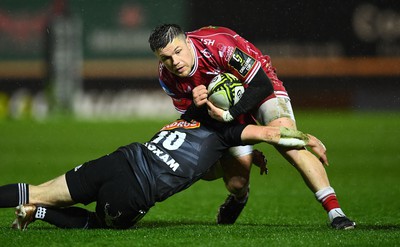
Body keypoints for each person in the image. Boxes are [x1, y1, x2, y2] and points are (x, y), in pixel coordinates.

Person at [148, 24, 356, 229]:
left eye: (178, 51)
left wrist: (231, 115)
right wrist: (196, 106)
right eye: (166, 58)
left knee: (289, 145)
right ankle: (240, 197)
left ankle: (336, 213)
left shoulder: (218, 46)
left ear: (187, 41)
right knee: (225, 178)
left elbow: (261, 85)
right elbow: (191, 120)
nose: (175, 62)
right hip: (223, 109)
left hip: (259, 85)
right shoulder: (167, 76)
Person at [0, 109, 327, 230]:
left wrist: (241, 158)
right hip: (134, 190)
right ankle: (35, 213)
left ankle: (32, 201)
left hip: (120, 159)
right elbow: (271, 133)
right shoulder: (228, 132)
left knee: (39, 189)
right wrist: (308, 139)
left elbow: (195, 161)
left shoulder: (189, 113)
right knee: (98, 223)